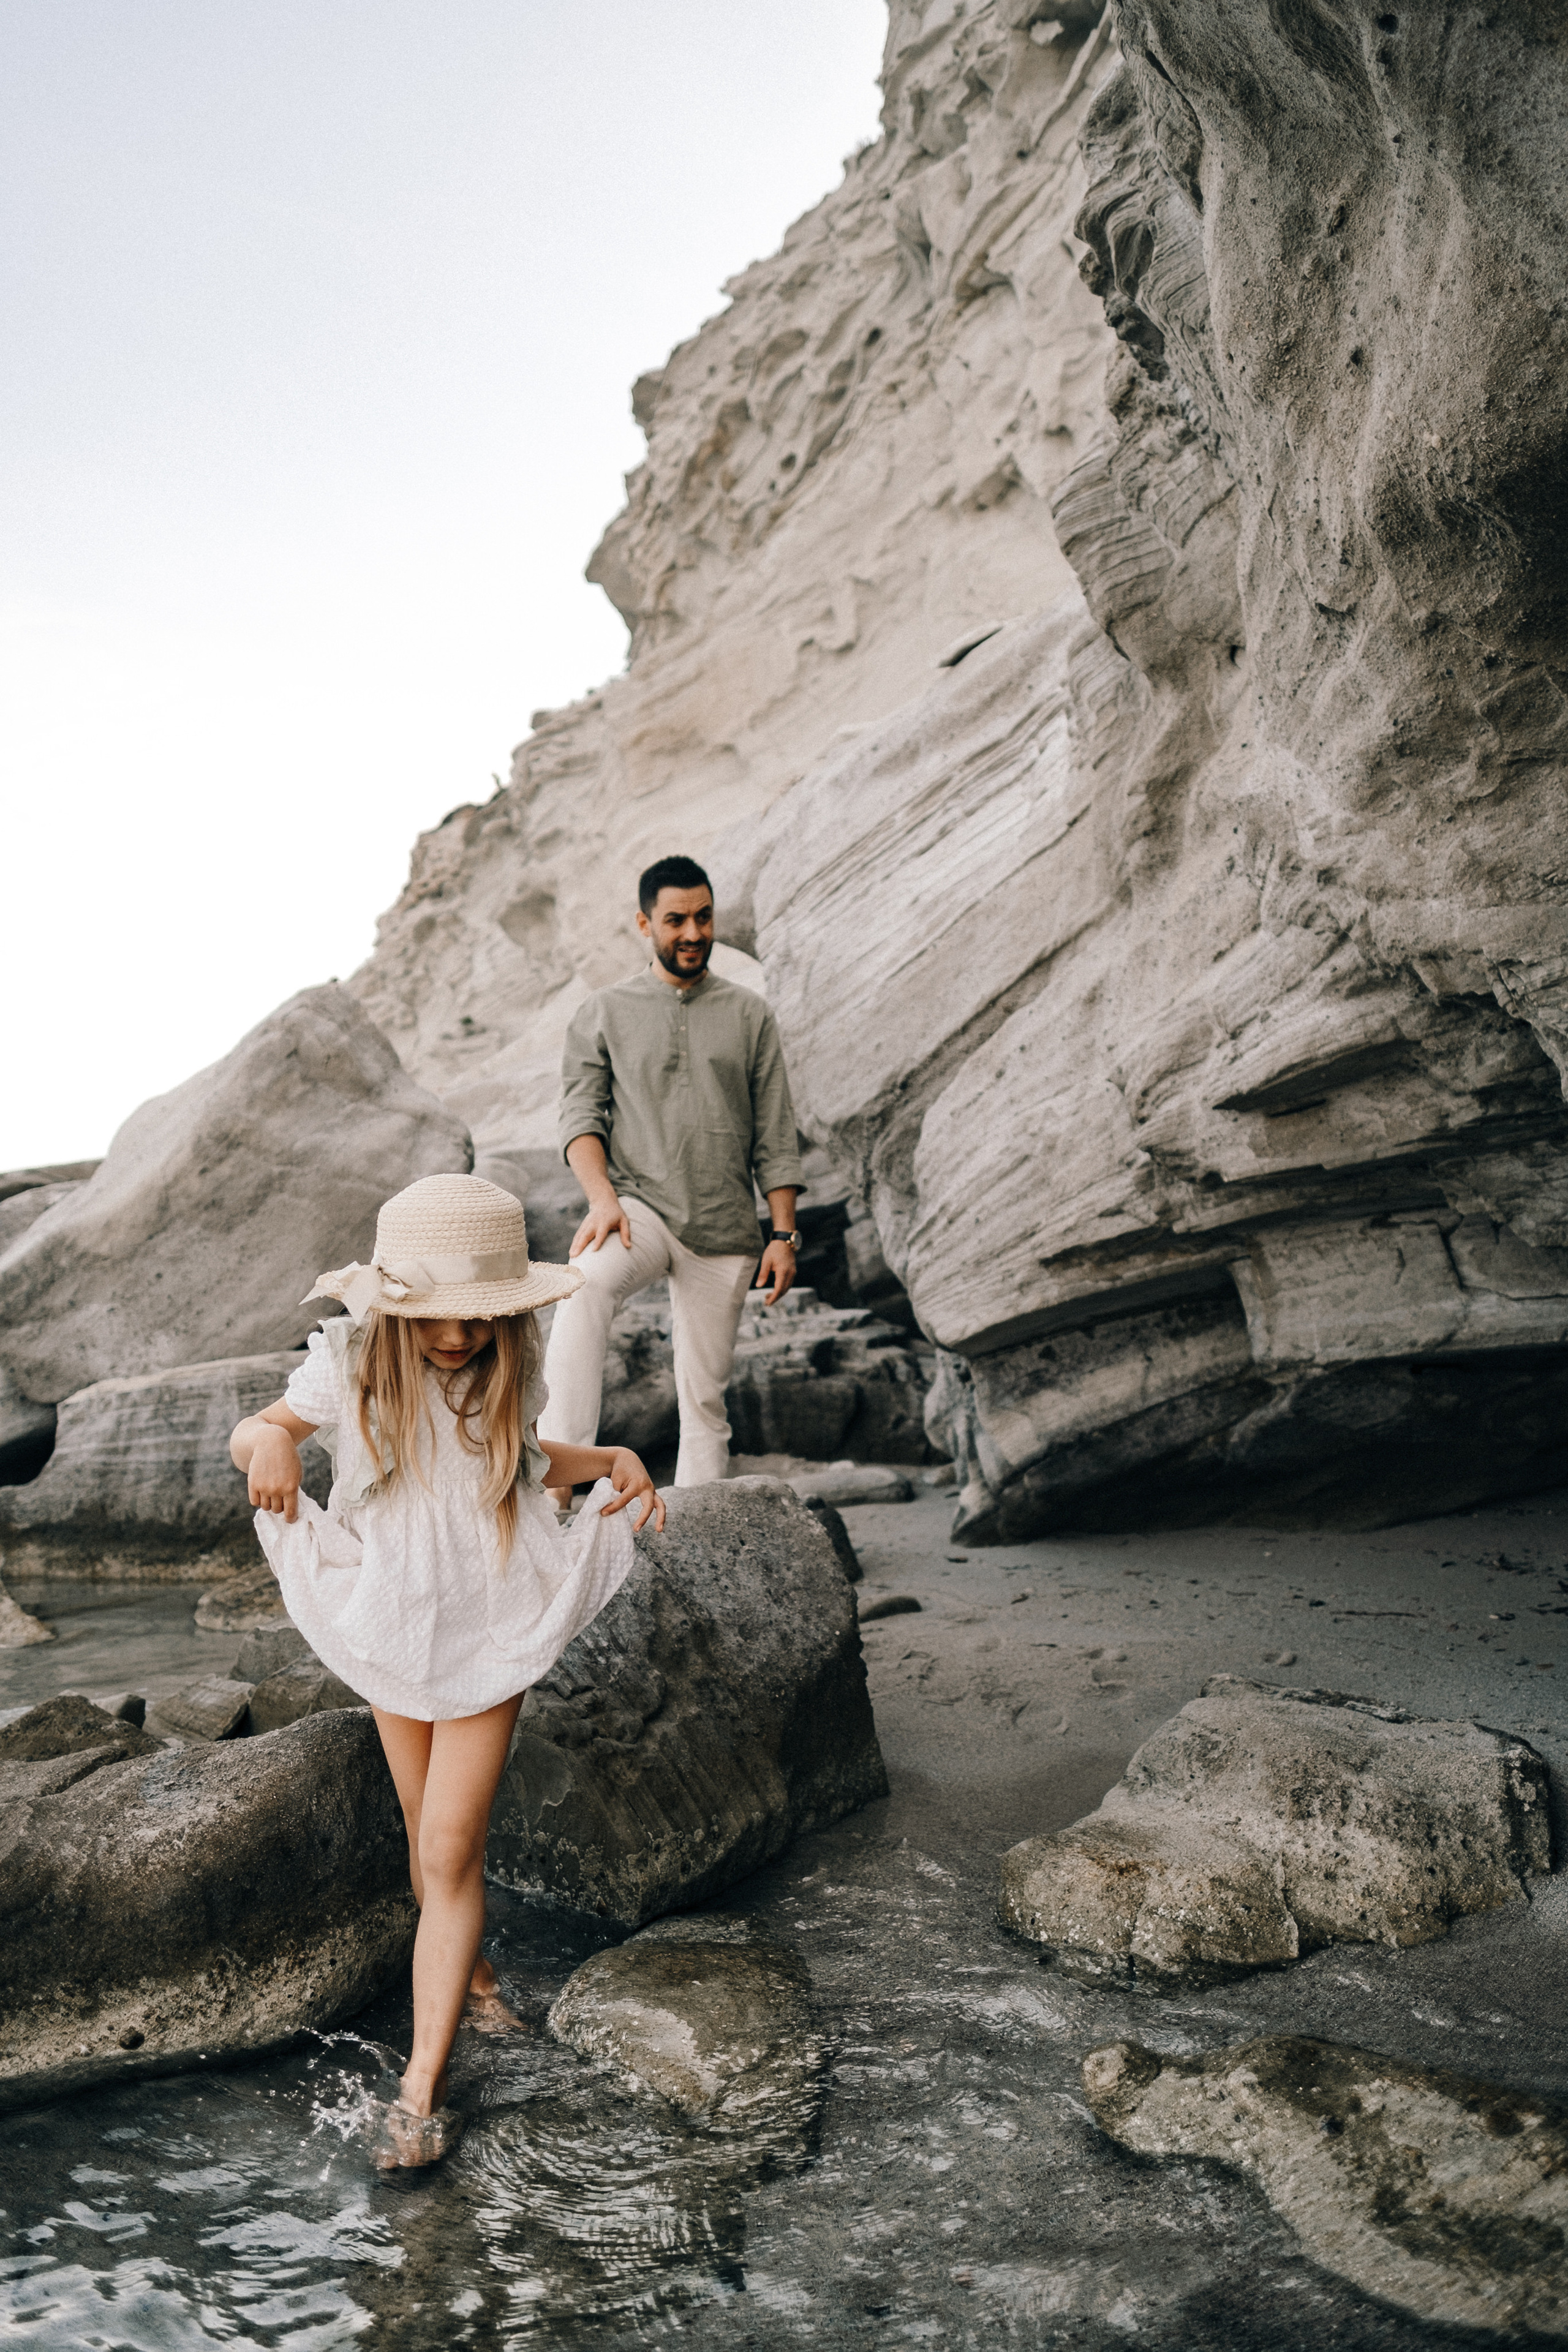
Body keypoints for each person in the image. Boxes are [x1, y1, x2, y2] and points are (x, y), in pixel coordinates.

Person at [228, 1172, 663, 2173]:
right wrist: (270, 1446)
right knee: (429, 1838)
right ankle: (475, 1982)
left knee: (450, 1846)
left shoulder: (506, 1361)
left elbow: (520, 1464)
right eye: (438, 1316)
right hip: (392, 1617)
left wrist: (609, 1458)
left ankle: (421, 2087)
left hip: (489, 1615)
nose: (459, 1336)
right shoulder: (351, 1362)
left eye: (479, 1316)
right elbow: (258, 1429)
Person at [539, 854, 805, 1498]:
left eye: (704, 918)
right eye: (676, 920)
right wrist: (602, 1200)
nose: (693, 933)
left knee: (704, 1400)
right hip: (639, 1211)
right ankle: (552, 1485)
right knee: (584, 1289)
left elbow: (775, 1131)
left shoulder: (750, 1014)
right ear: (645, 924)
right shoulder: (603, 1011)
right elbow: (580, 1117)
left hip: (724, 1226)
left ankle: (692, 1527)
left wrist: (783, 1236)